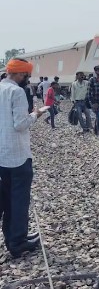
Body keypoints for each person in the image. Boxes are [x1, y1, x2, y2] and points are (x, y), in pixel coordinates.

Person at [0, 58, 44, 258]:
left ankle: (12, 238)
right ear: (19, 74)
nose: (27, 79)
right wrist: (35, 115)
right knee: (19, 201)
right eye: (26, 75)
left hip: (2, 155)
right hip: (17, 155)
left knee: (7, 199)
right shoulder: (16, 92)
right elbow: (20, 124)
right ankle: (18, 242)